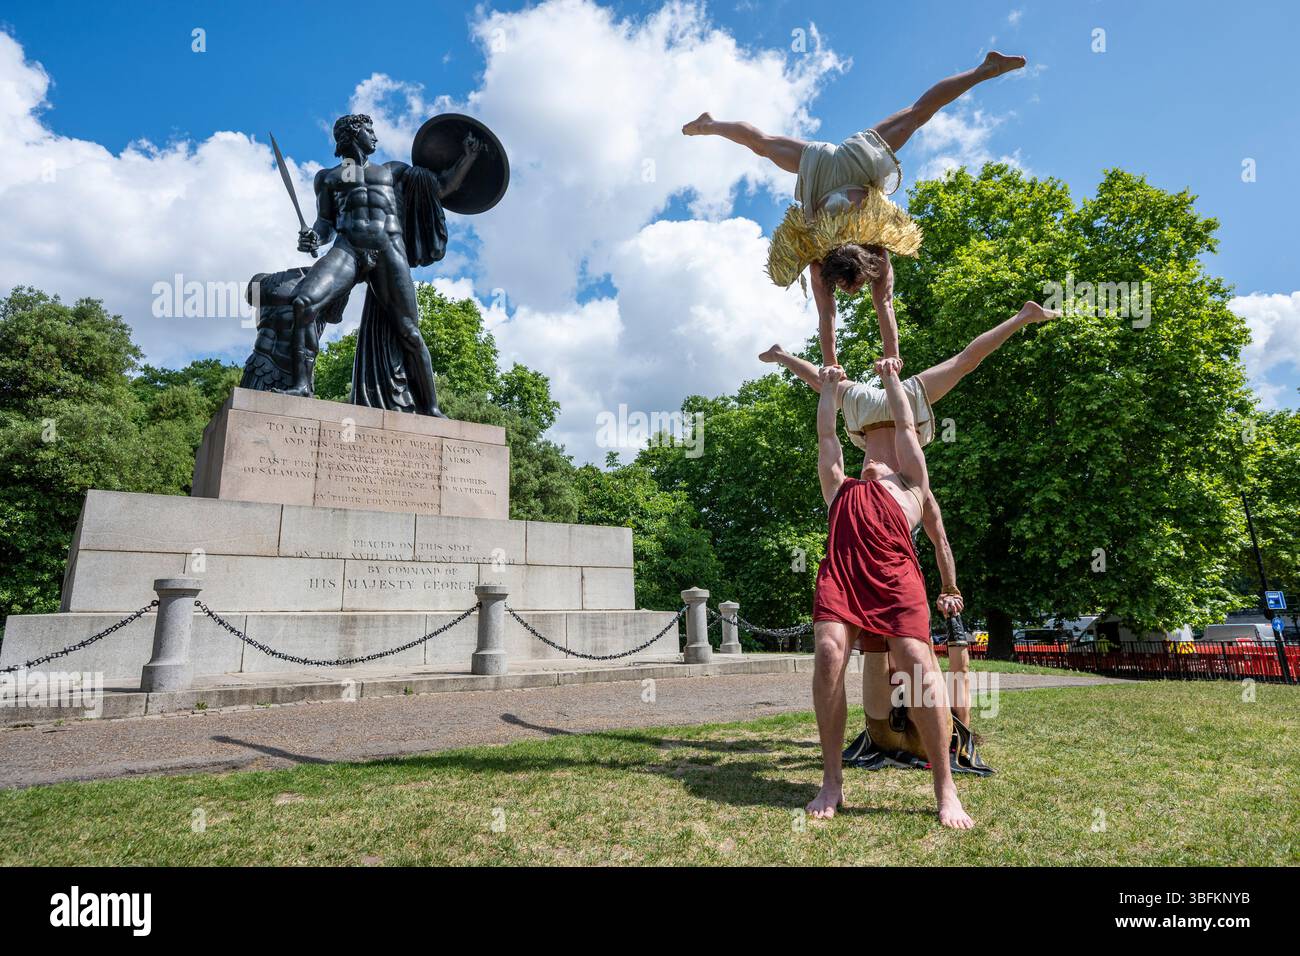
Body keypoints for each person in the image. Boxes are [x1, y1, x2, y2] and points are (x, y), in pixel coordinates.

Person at [684, 52, 1026, 367]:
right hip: (845, 166)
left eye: (854, 286)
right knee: (913, 115)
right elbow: (867, 308)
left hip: (831, 169)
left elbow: (849, 311)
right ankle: (709, 124)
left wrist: (845, 361)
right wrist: (878, 358)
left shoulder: (830, 259)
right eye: (857, 286)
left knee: (916, 115)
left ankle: (986, 68)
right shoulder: (868, 251)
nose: (855, 291)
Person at [808, 362, 973, 827]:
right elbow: (827, 439)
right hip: (841, 576)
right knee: (827, 653)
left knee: (918, 664)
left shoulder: (912, 488)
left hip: (895, 577)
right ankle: (832, 781)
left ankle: (945, 787)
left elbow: (904, 422)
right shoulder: (839, 487)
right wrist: (828, 388)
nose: (870, 459)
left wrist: (890, 382)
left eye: (880, 458)